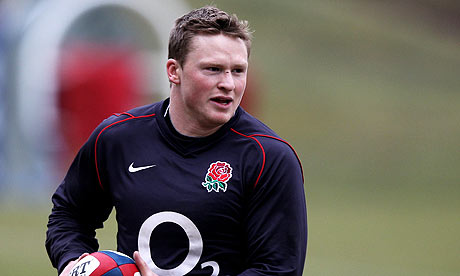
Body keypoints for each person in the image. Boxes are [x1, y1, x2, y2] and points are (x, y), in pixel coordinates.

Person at [46, 6, 307, 276]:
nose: (228, 83)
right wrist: (74, 264)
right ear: (174, 71)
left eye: (238, 71)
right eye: (213, 69)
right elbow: (69, 214)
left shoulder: (269, 158)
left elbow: (278, 270)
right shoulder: (118, 138)